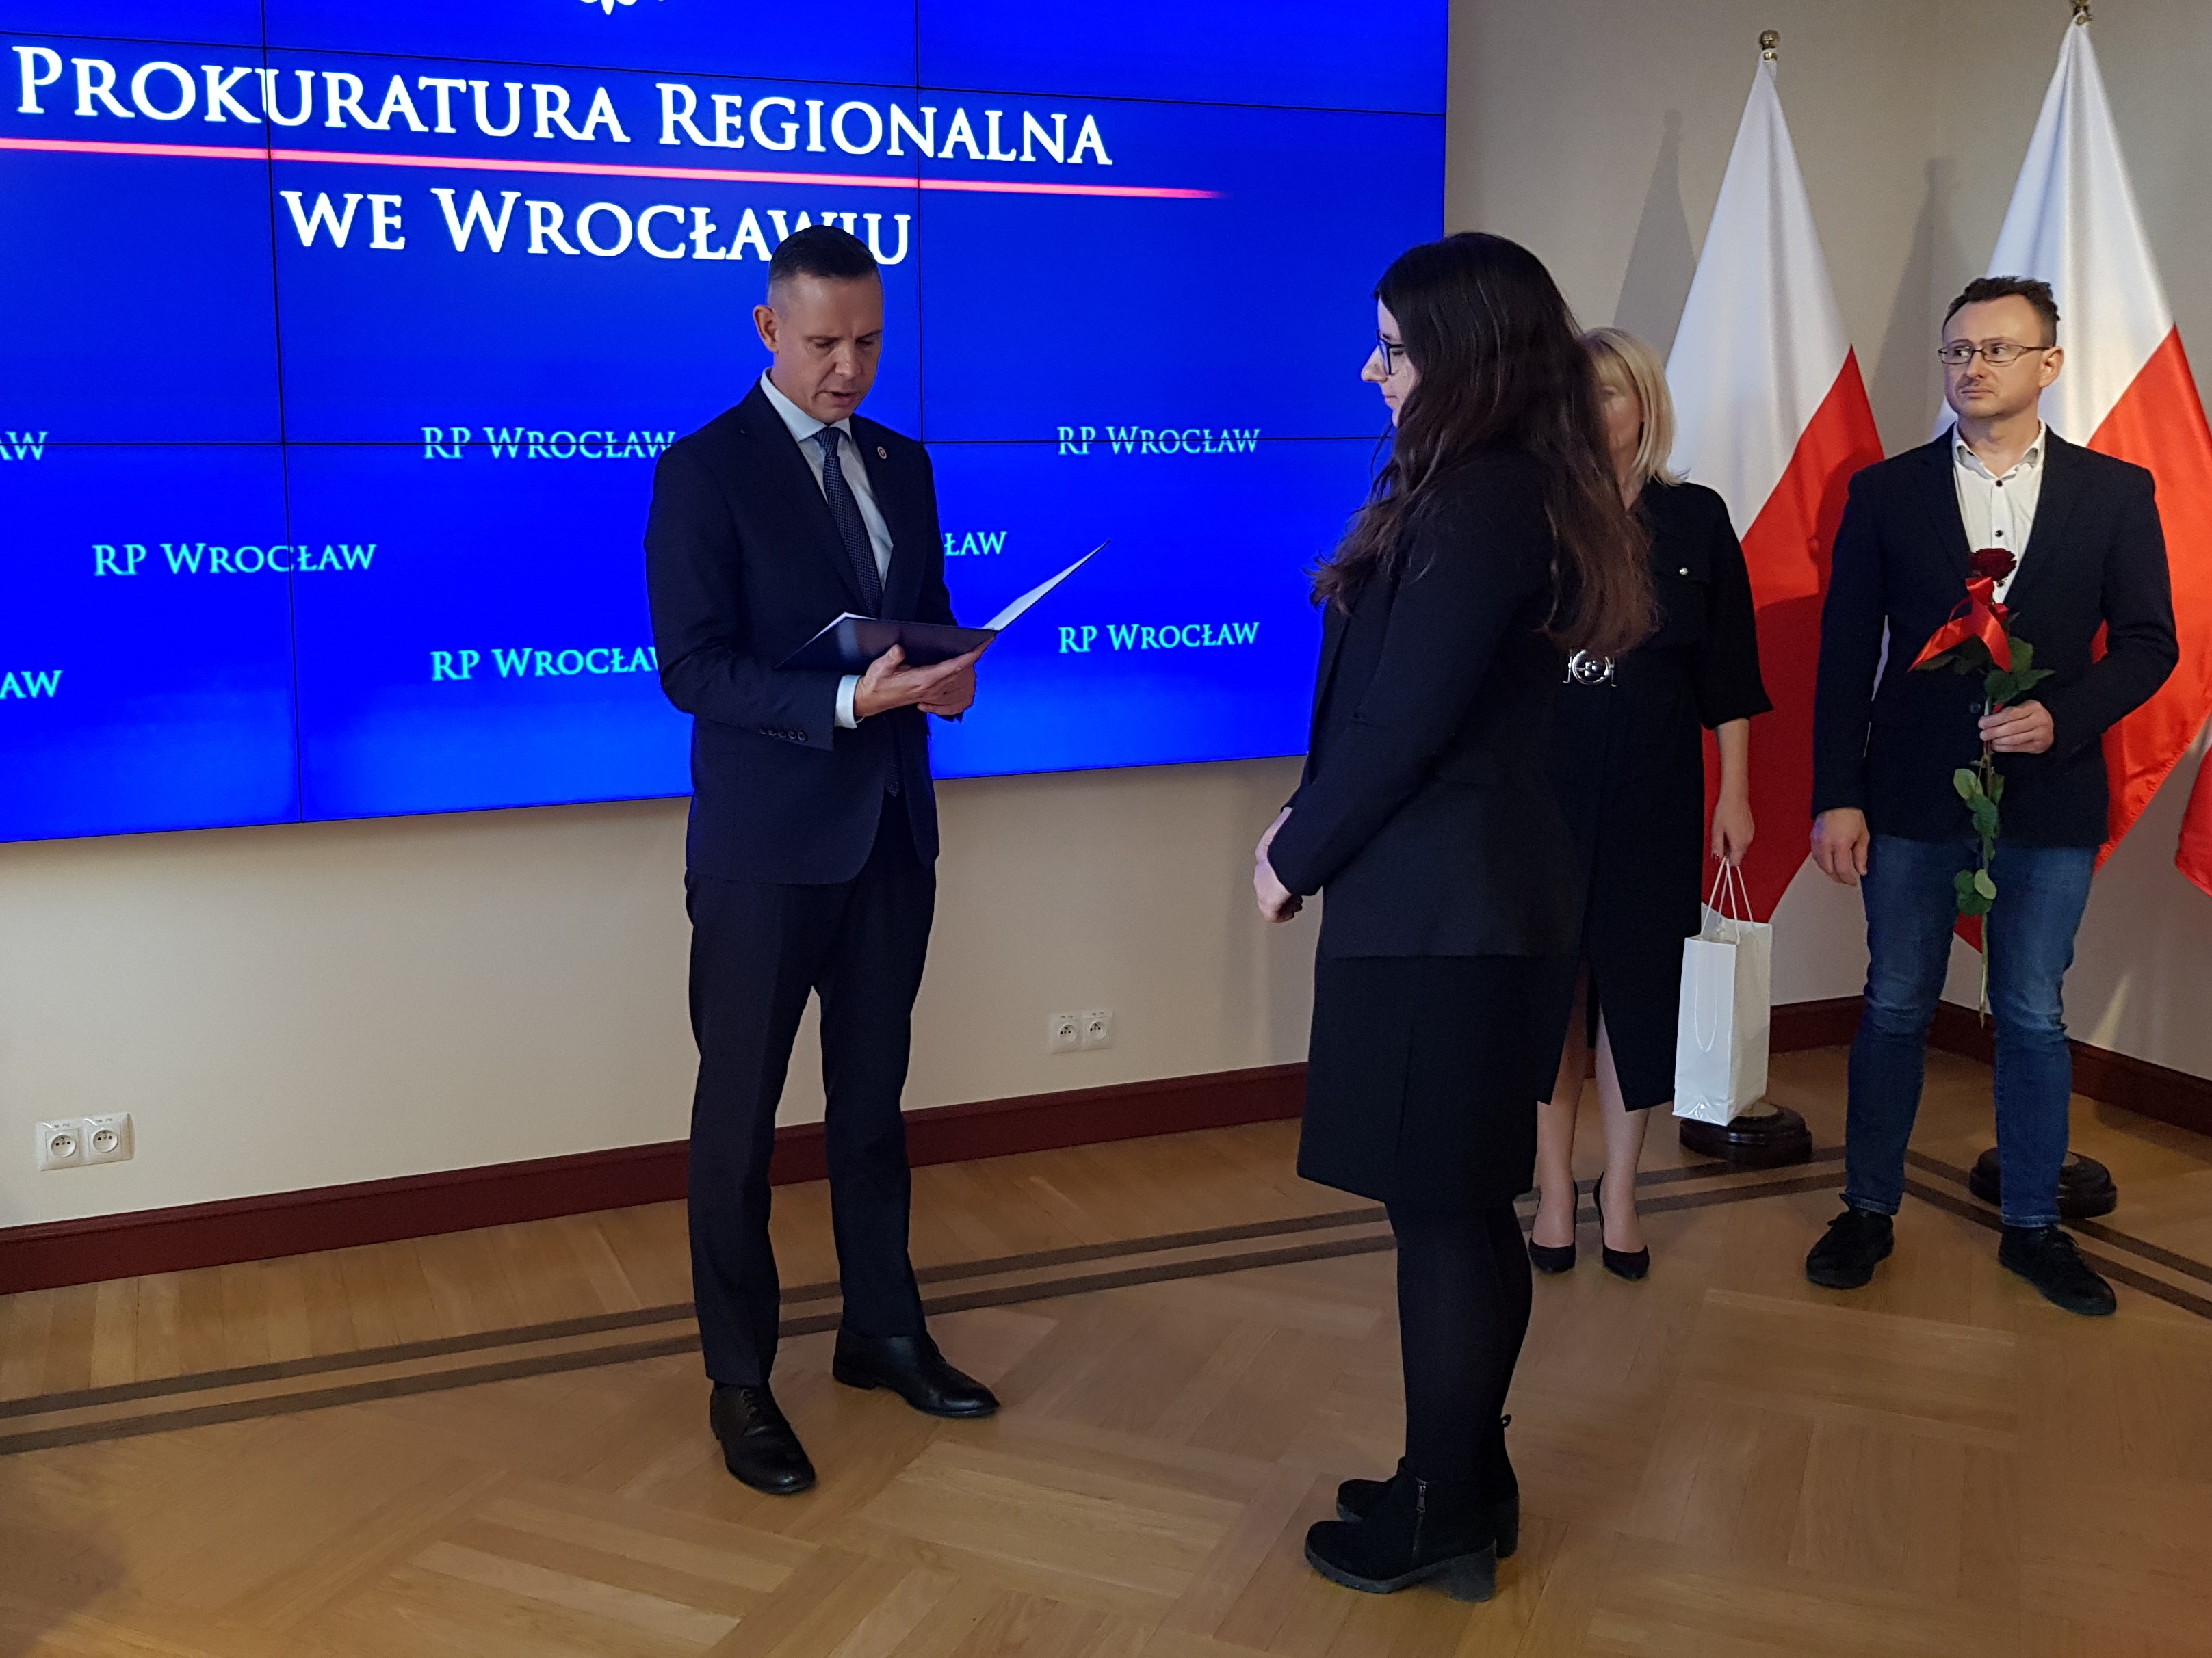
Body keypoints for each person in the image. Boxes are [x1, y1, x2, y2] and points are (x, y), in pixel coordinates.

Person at [1255, 233, 1654, 1601]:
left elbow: (1407, 722)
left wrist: (1296, 854)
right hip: (1461, 899)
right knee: (1463, 1206)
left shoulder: (1483, 500)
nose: (1373, 371)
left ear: (1466, 359)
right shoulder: (1488, 487)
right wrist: (1305, 822)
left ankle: (1439, 1507)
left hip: (1450, 907)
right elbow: (1397, 709)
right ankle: (1465, 1479)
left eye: (1394, 348)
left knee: (1442, 1213)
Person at [645, 224, 996, 1497]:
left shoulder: (903, 461)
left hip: (890, 832)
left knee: (872, 1104)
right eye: (824, 343)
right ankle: (740, 1380)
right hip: (764, 849)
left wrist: (949, 682)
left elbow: (923, 623)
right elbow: (692, 667)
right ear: (767, 329)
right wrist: (849, 702)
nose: (849, 367)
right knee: (738, 1123)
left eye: (869, 342)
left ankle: (881, 1331)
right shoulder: (704, 469)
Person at [1806, 275, 2177, 1317]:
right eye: (1958, 350)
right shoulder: (1887, 492)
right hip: (1909, 793)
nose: (1972, 366)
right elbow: (1845, 655)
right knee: (1894, 1001)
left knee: (2031, 1011)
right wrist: (1837, 794)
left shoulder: (2114, 493)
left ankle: (2032, 1226)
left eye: (1997, 349)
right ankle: (1866, 1209)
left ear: (2047, 365)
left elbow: (2149, 644)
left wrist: (2065, 715)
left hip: (2051, 797)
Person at [1529, 328, 1770, 1280]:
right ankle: (1554, 1188)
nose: (1591, 414)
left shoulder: (1696, 518)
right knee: (1550, 993)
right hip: (1543, 791)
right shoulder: (1532, 512)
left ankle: (1620, 1189)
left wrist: (1736, 792)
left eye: (1608, 395)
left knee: (1636, 993)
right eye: (1575, 396)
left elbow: (1731, 673)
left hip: (1656, 791)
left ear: (1645, 408)